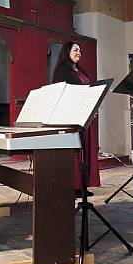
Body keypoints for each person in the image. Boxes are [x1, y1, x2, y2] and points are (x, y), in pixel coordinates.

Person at [52, 41, 100, 191]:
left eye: (80, 50)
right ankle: (74, 186)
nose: (79, 53)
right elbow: (62, 96)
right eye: (75, 50)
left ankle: (84, 185)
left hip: (87, 117)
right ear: (67, 52)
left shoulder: (82, 72)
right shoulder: (61, 72)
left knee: (87, 152)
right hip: (73, 118)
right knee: (76, 152)